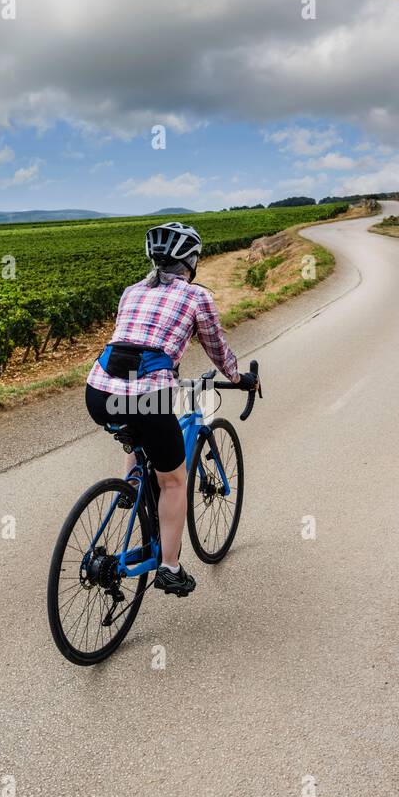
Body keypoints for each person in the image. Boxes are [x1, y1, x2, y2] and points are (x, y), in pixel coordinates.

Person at [86, 221, 256, 597]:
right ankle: (170, 567)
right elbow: (217, 349)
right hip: (148, 395)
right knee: (174, 480)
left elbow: (133, 342)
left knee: (138, 435)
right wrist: (240, 377)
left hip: (98, 389)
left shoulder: (131, 291)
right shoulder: (197, 297)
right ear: (191, 260)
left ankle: (129, 490)